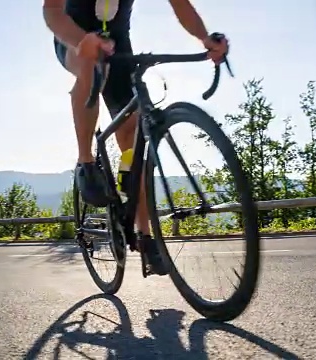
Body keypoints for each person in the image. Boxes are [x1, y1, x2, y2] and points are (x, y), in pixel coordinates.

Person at [42, 0, 229, 275]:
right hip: (73, 38)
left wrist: (205, 38)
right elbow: (52, 10)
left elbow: (181, 5)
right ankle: (86, 161)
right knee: (92, 65)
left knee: (134, 137)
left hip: (117, 44)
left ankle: (145, 236)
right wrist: (82, 40)